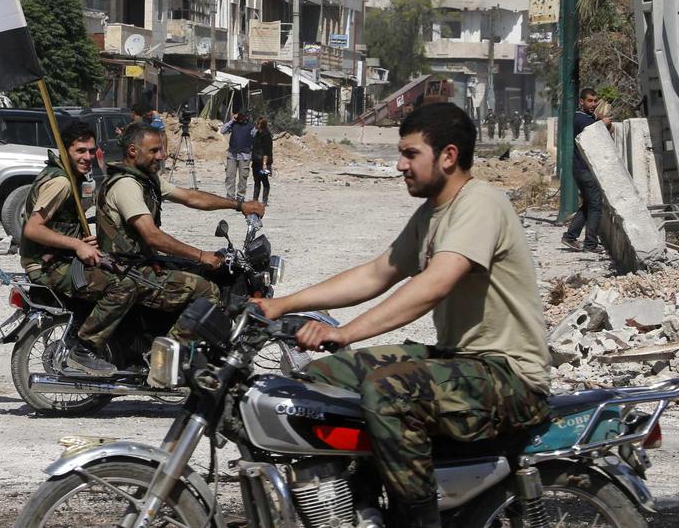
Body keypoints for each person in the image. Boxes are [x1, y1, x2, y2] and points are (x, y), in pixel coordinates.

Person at [256, 103, 550, 528]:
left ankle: (417, 520)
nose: (400, 166)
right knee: (323, 378)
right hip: (460, 360)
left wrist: (346, 332)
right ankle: (360, 501)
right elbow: (377, 273)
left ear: (448, 156)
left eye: (410, 154)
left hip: (509, 375)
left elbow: (434, 284)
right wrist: (281, 304)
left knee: (388, 391)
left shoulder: (481, 204)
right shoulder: (432, 213)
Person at [97, 122, 265, 341]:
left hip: (140, 261)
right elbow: (152, 236)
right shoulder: (126, 185)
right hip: (124, 269)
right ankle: (170, 354)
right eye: (154, 150)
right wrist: (201, 255)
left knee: (205, 271)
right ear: (132, 151)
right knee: (206, 290)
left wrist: (239, 205)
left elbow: (190, 197)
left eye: (161, 150)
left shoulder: (147, 179)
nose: (162, 156)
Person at [19, 120, 132, 376]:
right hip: (46, 264)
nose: (87, 157)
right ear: (65, 150)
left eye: (91, 151)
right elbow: (33, 229)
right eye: (80, 151)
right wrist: (77, 244)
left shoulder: (70, 176)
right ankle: (83, 349)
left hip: (58, 257)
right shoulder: (61, 182)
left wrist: (81, 239)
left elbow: (59, 224)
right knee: (122, 286)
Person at [563, 88, 607, 252]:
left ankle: (570, 236)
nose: (593, 104)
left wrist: (598, 117)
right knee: (595, 205)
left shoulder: (585, 117)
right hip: (584, 169)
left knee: (589, 204)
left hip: (582, 168)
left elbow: (594, 118)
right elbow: (596, 129)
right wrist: (604, 123)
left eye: (595, 101)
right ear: (581, 101)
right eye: (590, 101)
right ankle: (590, 244)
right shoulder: (581, 120)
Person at [220, 110, 254, 200]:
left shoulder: (251, 126)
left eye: (243, 116)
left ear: (247, 117)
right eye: (240, 116)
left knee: (243, 177)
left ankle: (240, 196)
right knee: (230, 176)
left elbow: (256, 137)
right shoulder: (234, 124)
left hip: (245, 155)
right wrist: (232, 120)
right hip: (232, 154)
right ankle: (230, 197)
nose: (241, 118)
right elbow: (223, 131)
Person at [251, 116, 274, 206]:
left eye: (257, 123)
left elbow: (266, 151)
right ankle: (255, 200)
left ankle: (264, 201)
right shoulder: (257, 134)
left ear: (261, 124)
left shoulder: (266, 135)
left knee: (264, 180)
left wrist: (264, 164)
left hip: (263, 163)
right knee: (256, 181)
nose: (255, 124)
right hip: (256, 162)